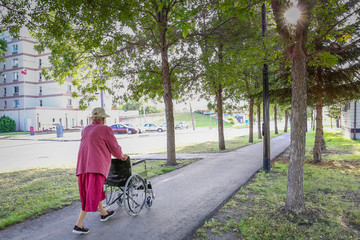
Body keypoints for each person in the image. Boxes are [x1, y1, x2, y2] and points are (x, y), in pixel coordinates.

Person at [73, 107, 128, 234]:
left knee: (93, 190)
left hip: (83, 166)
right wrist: (122, 156)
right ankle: (78, 225)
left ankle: (103, 213)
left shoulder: (85, 129)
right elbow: (114, 147)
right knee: (90, 194)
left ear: (93, 118)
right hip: (96, 166)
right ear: (103, 119)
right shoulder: (105, 129)